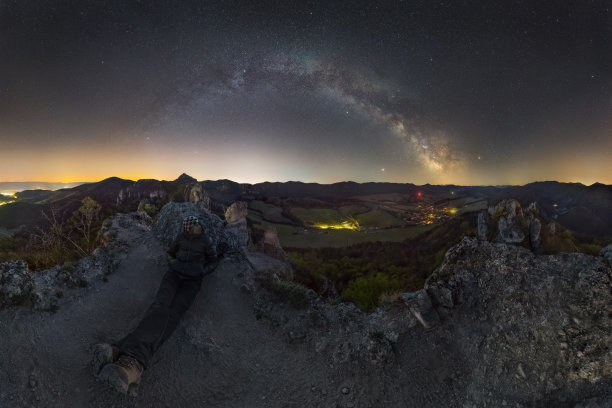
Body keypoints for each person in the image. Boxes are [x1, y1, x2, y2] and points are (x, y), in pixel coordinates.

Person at [92, 215, 218, 395]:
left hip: (192, 282)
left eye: (197, 224)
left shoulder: (206, 240)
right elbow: (170, 252)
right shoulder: (181, 237)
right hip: (174, 274)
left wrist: (200, 271)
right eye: (193, 225)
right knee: (159, 306)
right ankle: (126, 357)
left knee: (172, 314)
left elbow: (213, 260)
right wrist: (172, 262)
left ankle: (130, 362)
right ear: (188, 227)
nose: (196, 227)